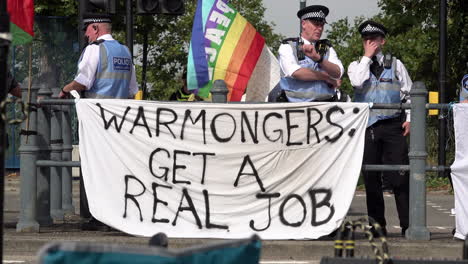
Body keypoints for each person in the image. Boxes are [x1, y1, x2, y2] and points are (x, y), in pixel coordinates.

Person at [348, 20, 412, 237]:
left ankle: (408, 224)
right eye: (366, 39)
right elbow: (357, 83)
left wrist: (409, 118)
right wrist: (367, 57)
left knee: (400, 176)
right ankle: (377, 226)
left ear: (382, 41)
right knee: (371, 178)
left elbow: (410, 92)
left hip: (394, 125)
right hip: (368, 127)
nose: (370, 43)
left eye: (374, 39)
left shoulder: (396, 64)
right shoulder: (356, 65)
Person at [59, 13, 138, 99]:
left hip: (97, 110)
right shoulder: (125, 51)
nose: (86, 34)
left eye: (86, 29)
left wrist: (64, 90)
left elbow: (82, 82)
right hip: (121, 111)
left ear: (95, 28)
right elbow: (132, 90)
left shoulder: (94, 48)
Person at [275, 5, 344, 102]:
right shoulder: (288, 46)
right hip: (295, 109)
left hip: (326, 108)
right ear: (303, 24)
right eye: (316, 24)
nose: (319, 28)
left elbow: (338, 73)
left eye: (322, 25)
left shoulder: (327, 47)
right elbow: (296, 72)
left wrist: (319, 59)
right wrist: (326, 77)